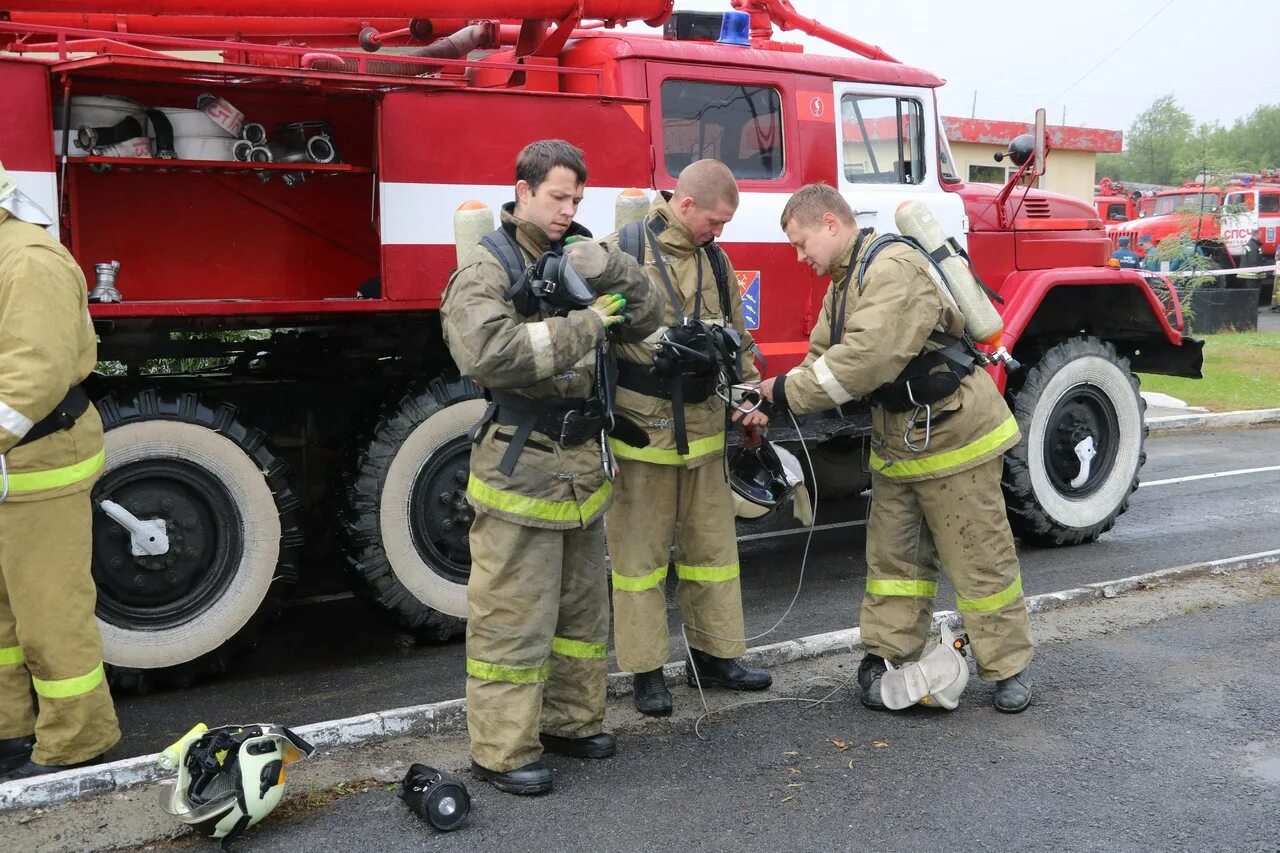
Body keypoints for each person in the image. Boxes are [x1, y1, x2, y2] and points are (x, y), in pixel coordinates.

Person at [756, 183, 1034, 713]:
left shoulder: (893, 269)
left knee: (979, 558)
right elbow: (824, 353)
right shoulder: (844, 282)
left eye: (801, 242)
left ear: (831, 224)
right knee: (894, 562)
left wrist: (787, 393)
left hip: (954, 434)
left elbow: (866, 358)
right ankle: (886, 655)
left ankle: (1008, 667)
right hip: (899, 440)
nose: (799, 256)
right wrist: (769, 401)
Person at [440, 140, 659, 795]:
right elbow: (490, 353)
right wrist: (588, 323)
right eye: (558, 197)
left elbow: (649, 317)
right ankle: (502, 751)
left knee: (581, 618)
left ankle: (570, 721)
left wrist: (614, 267)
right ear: (524, 190)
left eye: (577, 200)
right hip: (521, 468)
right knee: (513, 619)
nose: (568, 210)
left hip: (582, 473)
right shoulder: (487, 269)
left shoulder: (579, 255)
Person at [604, 159, 772, 717]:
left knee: (712, 555)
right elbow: (592, 338)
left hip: (703, 431)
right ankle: (647, 673)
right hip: (642, 434)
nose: (719, 233)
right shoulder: (621, 251)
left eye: (725, 225)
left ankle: (716, 656)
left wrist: (751, 397)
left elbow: (739, 338)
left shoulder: (715, 261)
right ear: (685, 204)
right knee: (639, 561)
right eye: (715, 222)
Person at [0, 163, 120, 780]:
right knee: (5, 617)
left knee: (49, 613)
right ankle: (11, 733)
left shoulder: (29, 262)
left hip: (39, 464)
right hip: (12, 464)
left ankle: (78, 744)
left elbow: (34, 376)